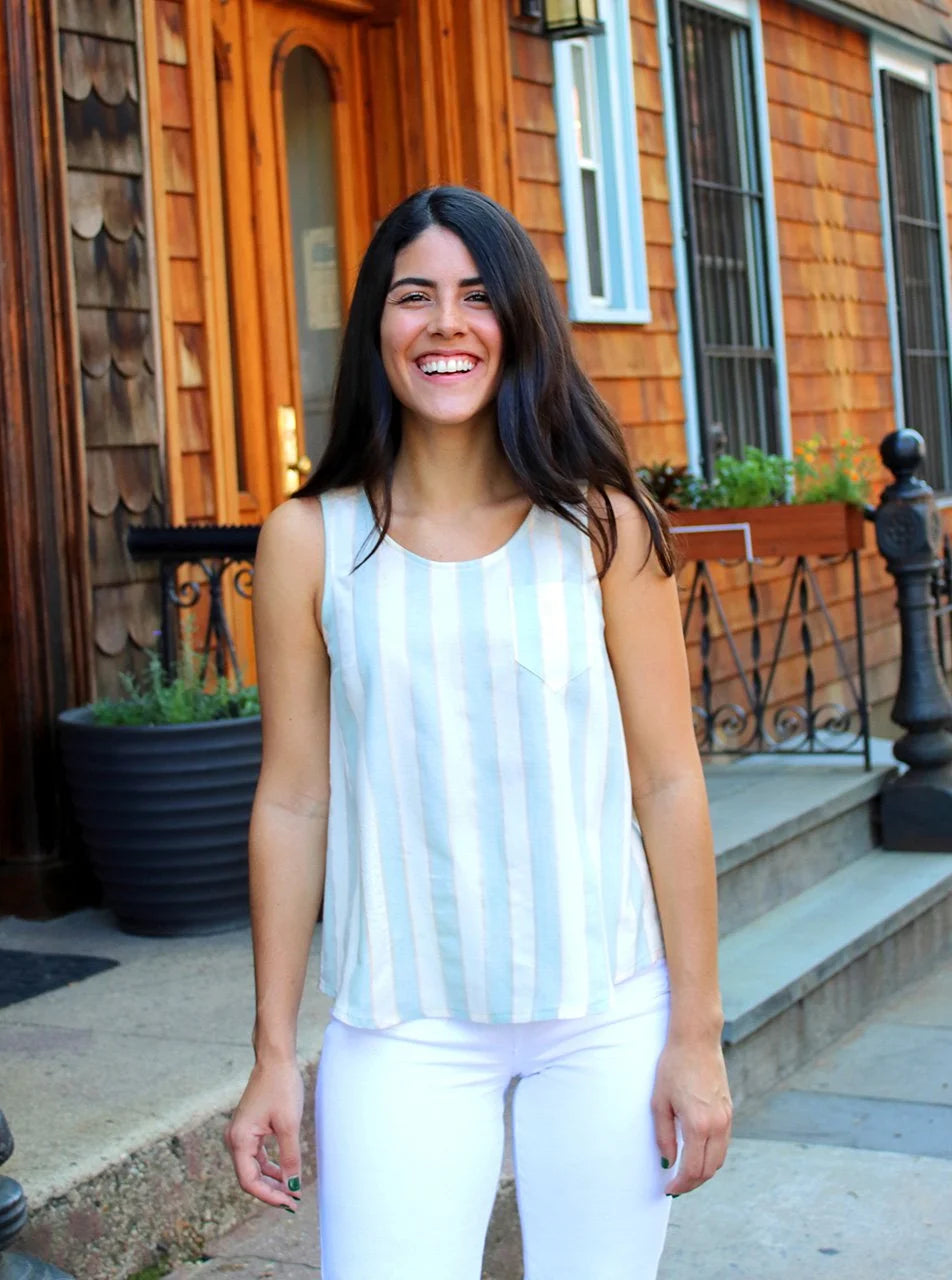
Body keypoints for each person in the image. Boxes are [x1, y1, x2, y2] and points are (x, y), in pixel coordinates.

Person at [226, 185, 732, 1280]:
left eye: (476, 295)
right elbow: (293, 797)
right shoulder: (310, 540)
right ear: (378, 330)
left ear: (519, 323)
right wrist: (274, 1052)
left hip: (605, 1006)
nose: (446, 323)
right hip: (401, 1017)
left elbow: (669, 784)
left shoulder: (603, 525)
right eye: (415, 297)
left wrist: (697, 1030)